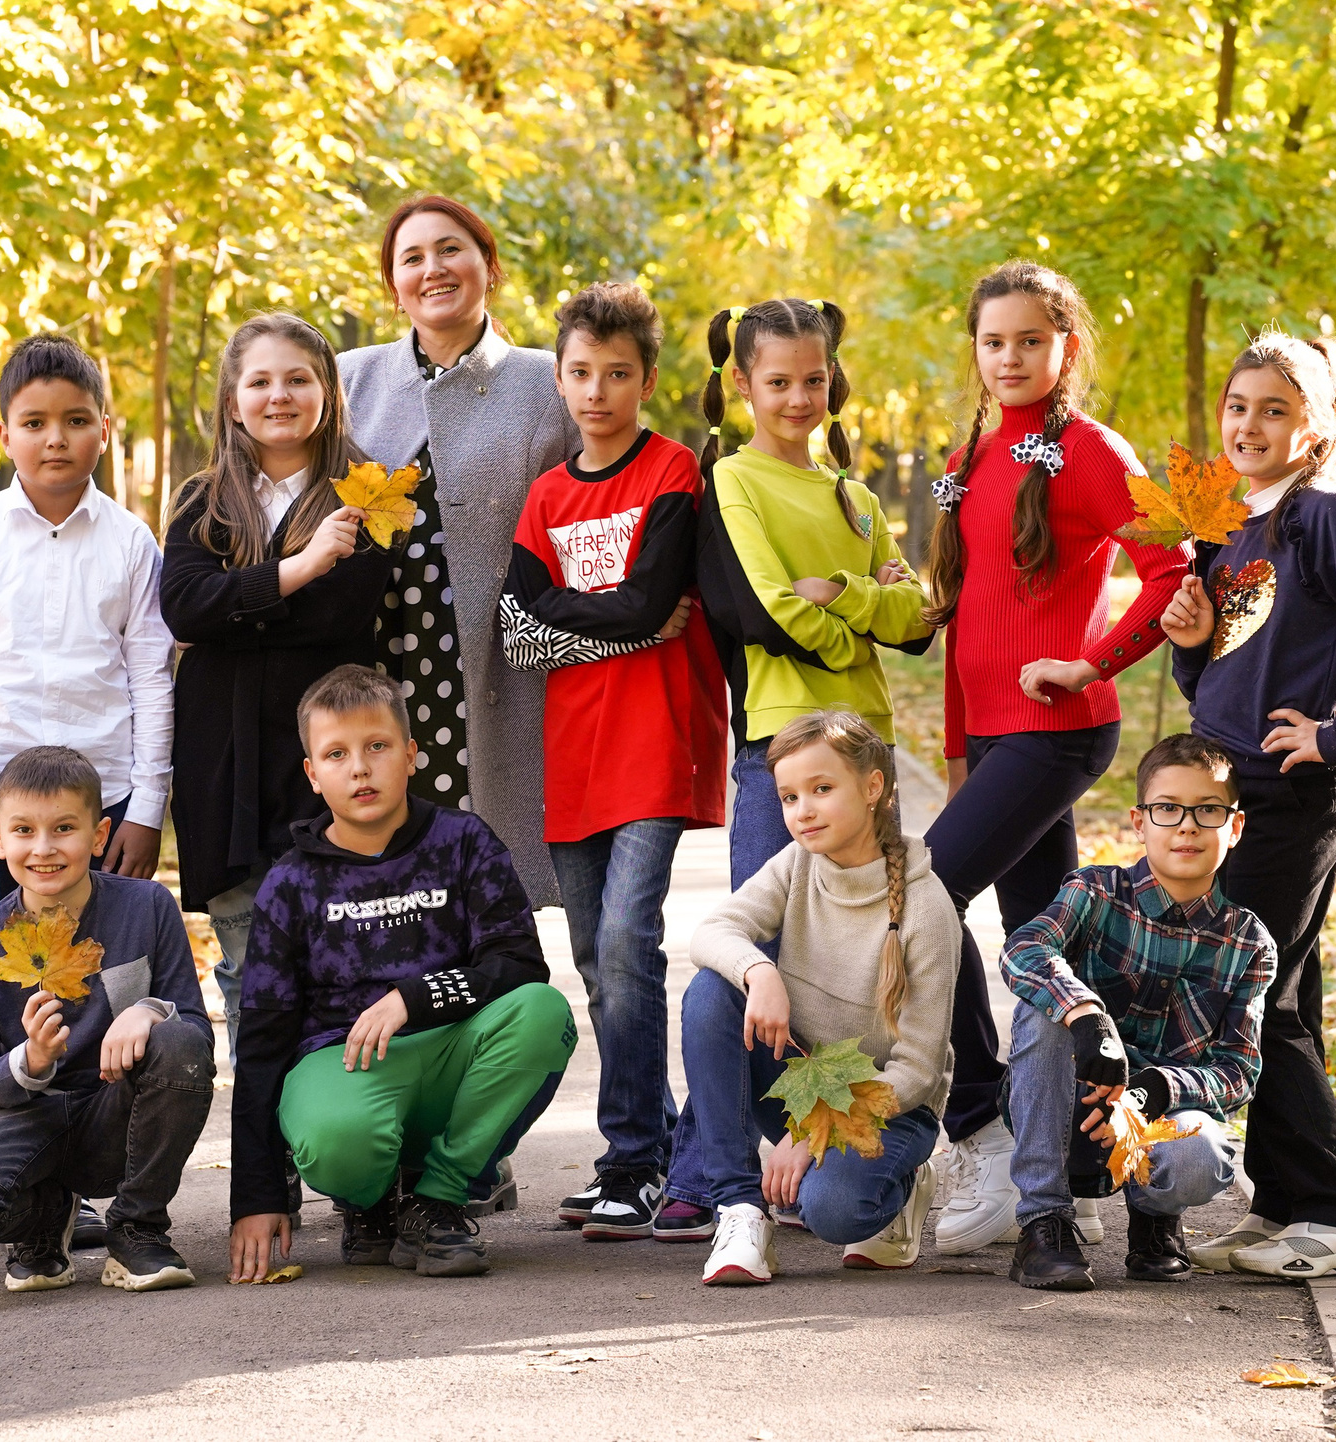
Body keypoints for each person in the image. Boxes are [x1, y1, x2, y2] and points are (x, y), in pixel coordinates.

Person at [914, 261, 1193, 1258]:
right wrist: (958, 755)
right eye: (993, 341)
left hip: (1058, 728)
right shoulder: (972, 454)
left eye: (1030, 340)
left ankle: (987, 1129)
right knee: (1045, 943)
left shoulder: (1091, 451)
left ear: (1065, 347)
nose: (1010, 357)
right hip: (993, 735)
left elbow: (1172, 568)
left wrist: (1090, 661)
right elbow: (965, 621)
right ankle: (1079, 1163)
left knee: (923, 895)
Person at [1159, 332, 1336, 1279]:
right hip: (1233, 785)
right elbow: (1218, 677)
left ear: (1314, 429)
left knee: (1250, 993)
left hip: (1292, 791)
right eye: (1238, 407)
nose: (1250, 425)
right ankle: (1284, 1203)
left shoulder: (1324, 514)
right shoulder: (1233, 526)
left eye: (1275, 410)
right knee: (1283, 995)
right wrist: (1192, 642)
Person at [662, 297, 929, 1241]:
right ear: (744, 384)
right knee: (760, 952)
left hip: (867, 747)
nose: (798, 398)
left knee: (865, 953)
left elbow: (918, 620)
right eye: (778, 382)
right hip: (779, 742)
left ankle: (832, 1144)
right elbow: (766, 612)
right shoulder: (733, 480)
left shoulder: (856, 499)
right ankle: (715, 1170)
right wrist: (858, 622)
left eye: (813, 380)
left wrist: (846, 593)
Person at [497, 281, 728, 1240]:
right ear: (558, 378)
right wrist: (617, 621)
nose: (597, 391)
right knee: (594, 956)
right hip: (574, 754)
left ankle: (630, 1162)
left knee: (630, 940)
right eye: (582, 372)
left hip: (654, 742)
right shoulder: (546, 495)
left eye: (618, 374)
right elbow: (517, 628)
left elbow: (651, 600)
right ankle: (656, 1145)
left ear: (648, 380)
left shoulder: (672, 471)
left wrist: (582, 616)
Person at [226, 666, 576, 1281]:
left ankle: (437, 1199)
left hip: (450, 1053)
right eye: (336, 754)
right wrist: (256, 1196)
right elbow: (261, 1040)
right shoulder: (290, 883)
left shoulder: (463, 841)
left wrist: (414, 998)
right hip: (344, 1065)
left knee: (542, 1013)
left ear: (411, 755)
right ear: (312, 774)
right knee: (336, 1137)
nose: (360, 769)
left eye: (377, 746)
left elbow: (519, 963)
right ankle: (368, 1201)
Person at [336, 195, 577, 916]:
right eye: (411, 258)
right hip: (377, 659)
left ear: (488, 265)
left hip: (504, 669)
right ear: (393, 284)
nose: (432, 269)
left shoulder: (550, 381)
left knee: (491, 882)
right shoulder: (348, 380)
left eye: (450, 250)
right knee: (387, 883)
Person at [163, 314, 388, 1064]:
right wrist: (302, 567)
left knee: (335, 970)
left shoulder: (365, 494)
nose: (279, 395)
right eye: (259, 381)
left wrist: (235, 609)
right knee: (249, 976)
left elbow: (338, 614)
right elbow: (183, 607)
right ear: (233, 402)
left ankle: (336, 1120)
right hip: (224, 779)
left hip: (322, 775)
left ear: (329, 392)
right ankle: (264, 1138)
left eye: (298, 379)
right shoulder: (203, 501)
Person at [0, 746, 214, 1294]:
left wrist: (148, 1011)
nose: (43, 848)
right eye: (23, 831)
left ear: (99, 836)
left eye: (63, 828)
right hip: (29, 1119)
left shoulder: (147, 906)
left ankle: (137, 1228)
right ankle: (45, 1219)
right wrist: (29, 1061)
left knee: (178, 1044)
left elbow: (195, 1027)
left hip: (116, 1113)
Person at [682, 711, 961, 1285]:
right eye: (789, 797)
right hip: (803, 1079)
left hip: (888, 1105)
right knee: (712, 991)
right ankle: (739, 1209)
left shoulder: (927, 907)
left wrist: (815, 1134)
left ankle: (905, 1186)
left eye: (822, 789)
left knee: (833, 1211)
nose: (802, 811)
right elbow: (712, 931)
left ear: (873, 787)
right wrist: (760, 971)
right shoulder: (798, 864)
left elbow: (917, 1072)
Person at [997, 734, 1276, 1292]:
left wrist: (1158, 1087)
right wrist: (1085, 1015)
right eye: (1168, 809)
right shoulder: (1095, 892)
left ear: (1235, 827)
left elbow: (1239, 1071)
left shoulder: (1248, 942)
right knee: (1043, 1006)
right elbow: (1025, 948)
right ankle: (1044, 1221)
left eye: (1208, 811)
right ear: (1139, 822)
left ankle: (1154, 1219)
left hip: (1154, 1121)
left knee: (1202, 1155)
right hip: (1068, 1110)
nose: (1187, 826)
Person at [0, 332, 172, 909]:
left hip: (104, 801)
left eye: (76, 421)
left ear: (105, 431)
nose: (56, 438)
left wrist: (146, 809)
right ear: (4, 436)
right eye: (34, 423)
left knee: (106, 954)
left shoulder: (132, 542)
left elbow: (151, 678)